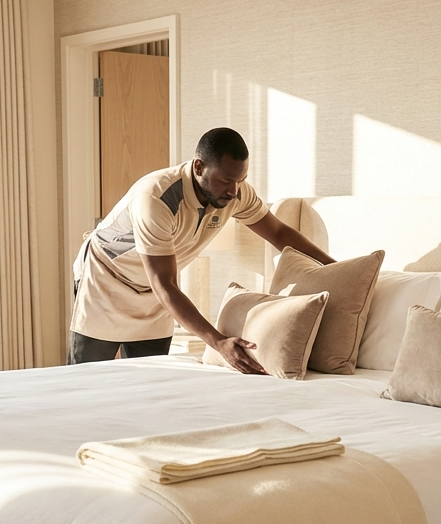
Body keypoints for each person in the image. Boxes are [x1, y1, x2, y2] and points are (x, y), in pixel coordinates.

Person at [69, 127, 334, 371]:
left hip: (157, 293)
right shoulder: (157, 198)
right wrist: (218, 342)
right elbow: (165, 282)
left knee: (151, 381)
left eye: (240, 180)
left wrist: (334, 267)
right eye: (225, 181)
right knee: (87, 379)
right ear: (198, 166)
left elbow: (278, 232)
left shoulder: (236, 192)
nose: (233, 191)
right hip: (106, 282)